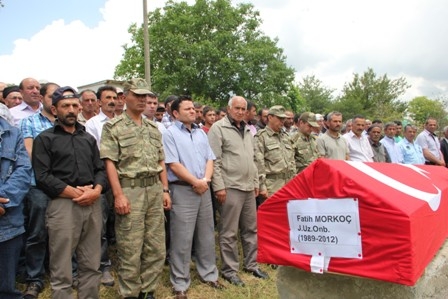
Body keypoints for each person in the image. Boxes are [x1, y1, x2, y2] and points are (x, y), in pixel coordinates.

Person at [32, 86, 107, 299]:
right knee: (62, 264)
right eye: (66, 106)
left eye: (75, 105)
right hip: (62, 205)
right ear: (55, 110)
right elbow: (43, 176)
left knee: (92, 262)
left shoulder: (88, 139)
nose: (71, 110)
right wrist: (75, 193)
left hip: (92, 203)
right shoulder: (45, 139)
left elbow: (100, 169)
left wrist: (97, 191)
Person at [100, 78, 171, 299]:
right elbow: (109, 162)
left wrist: (165, 190)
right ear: (125, 97)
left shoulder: (152, 127)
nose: (143, 100)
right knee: (130, 246)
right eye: (138, 96)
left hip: (154, 189)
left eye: (146, 96)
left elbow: (161, 160)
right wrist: (118, 195)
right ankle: (130, 292)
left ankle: (148, 290)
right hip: (130, 190)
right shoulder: (114, 127)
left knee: (156, 246)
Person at [163, 96, 223, 299]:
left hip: (203, 188)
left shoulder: (200, 133)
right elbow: (173, 164)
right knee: (182, 237)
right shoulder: (169, 134)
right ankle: (180, 282)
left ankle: (209, 274)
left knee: (206, 234)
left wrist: (205, 180)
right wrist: (194, 182)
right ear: (175, 113)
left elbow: (210, 158)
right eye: (187, 108)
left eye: (193, 108)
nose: (192, 111)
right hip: (182, 190)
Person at [208, 96, 268, 287]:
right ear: (229, 108)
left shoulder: (248, 130)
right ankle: (229, 270)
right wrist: (219, 186)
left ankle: (251, 265)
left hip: (249, 187)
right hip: (230, 186)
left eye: (244, 109)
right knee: (229, 231)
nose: (241, 112)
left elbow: (252, 159)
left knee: (251, 229)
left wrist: (256, 182)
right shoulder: (218, 128)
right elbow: (214, 160)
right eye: (237, 108)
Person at [20, 82, 58, 299]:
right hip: (39, 186)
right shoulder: (30, 122)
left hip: (64, 188)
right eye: (52, 96)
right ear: (43, 98)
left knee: (64, 233)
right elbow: (29, 151)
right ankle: (34, 278)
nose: (56, 100)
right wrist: (49, 178)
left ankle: (64, 274)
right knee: (37, 233)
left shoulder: (65, 124)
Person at [85, 85, 118, 287]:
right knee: (102, 225)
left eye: (114, 97)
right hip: (104, 178)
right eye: (107, 97)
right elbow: (96, 155)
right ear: (99, 102)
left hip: (126, 177)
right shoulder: (93, 124)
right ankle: (104, 266)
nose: (112, 101)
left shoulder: (125, 122)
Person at [0, 114, 32, 299]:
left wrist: (4, 200)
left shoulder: (12, 133)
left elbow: (23, 170)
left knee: (6, 287)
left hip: (8, 218)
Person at [254, 105, 296, 203]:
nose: (282, 121)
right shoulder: (261, 137)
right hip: (272, 186)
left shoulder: (286, 137)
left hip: (289, 184)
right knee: (272, 216)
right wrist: (262, 186)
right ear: (270, 117)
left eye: (283, 119)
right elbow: (258, 163)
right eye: (279, 118)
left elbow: (292, 160)